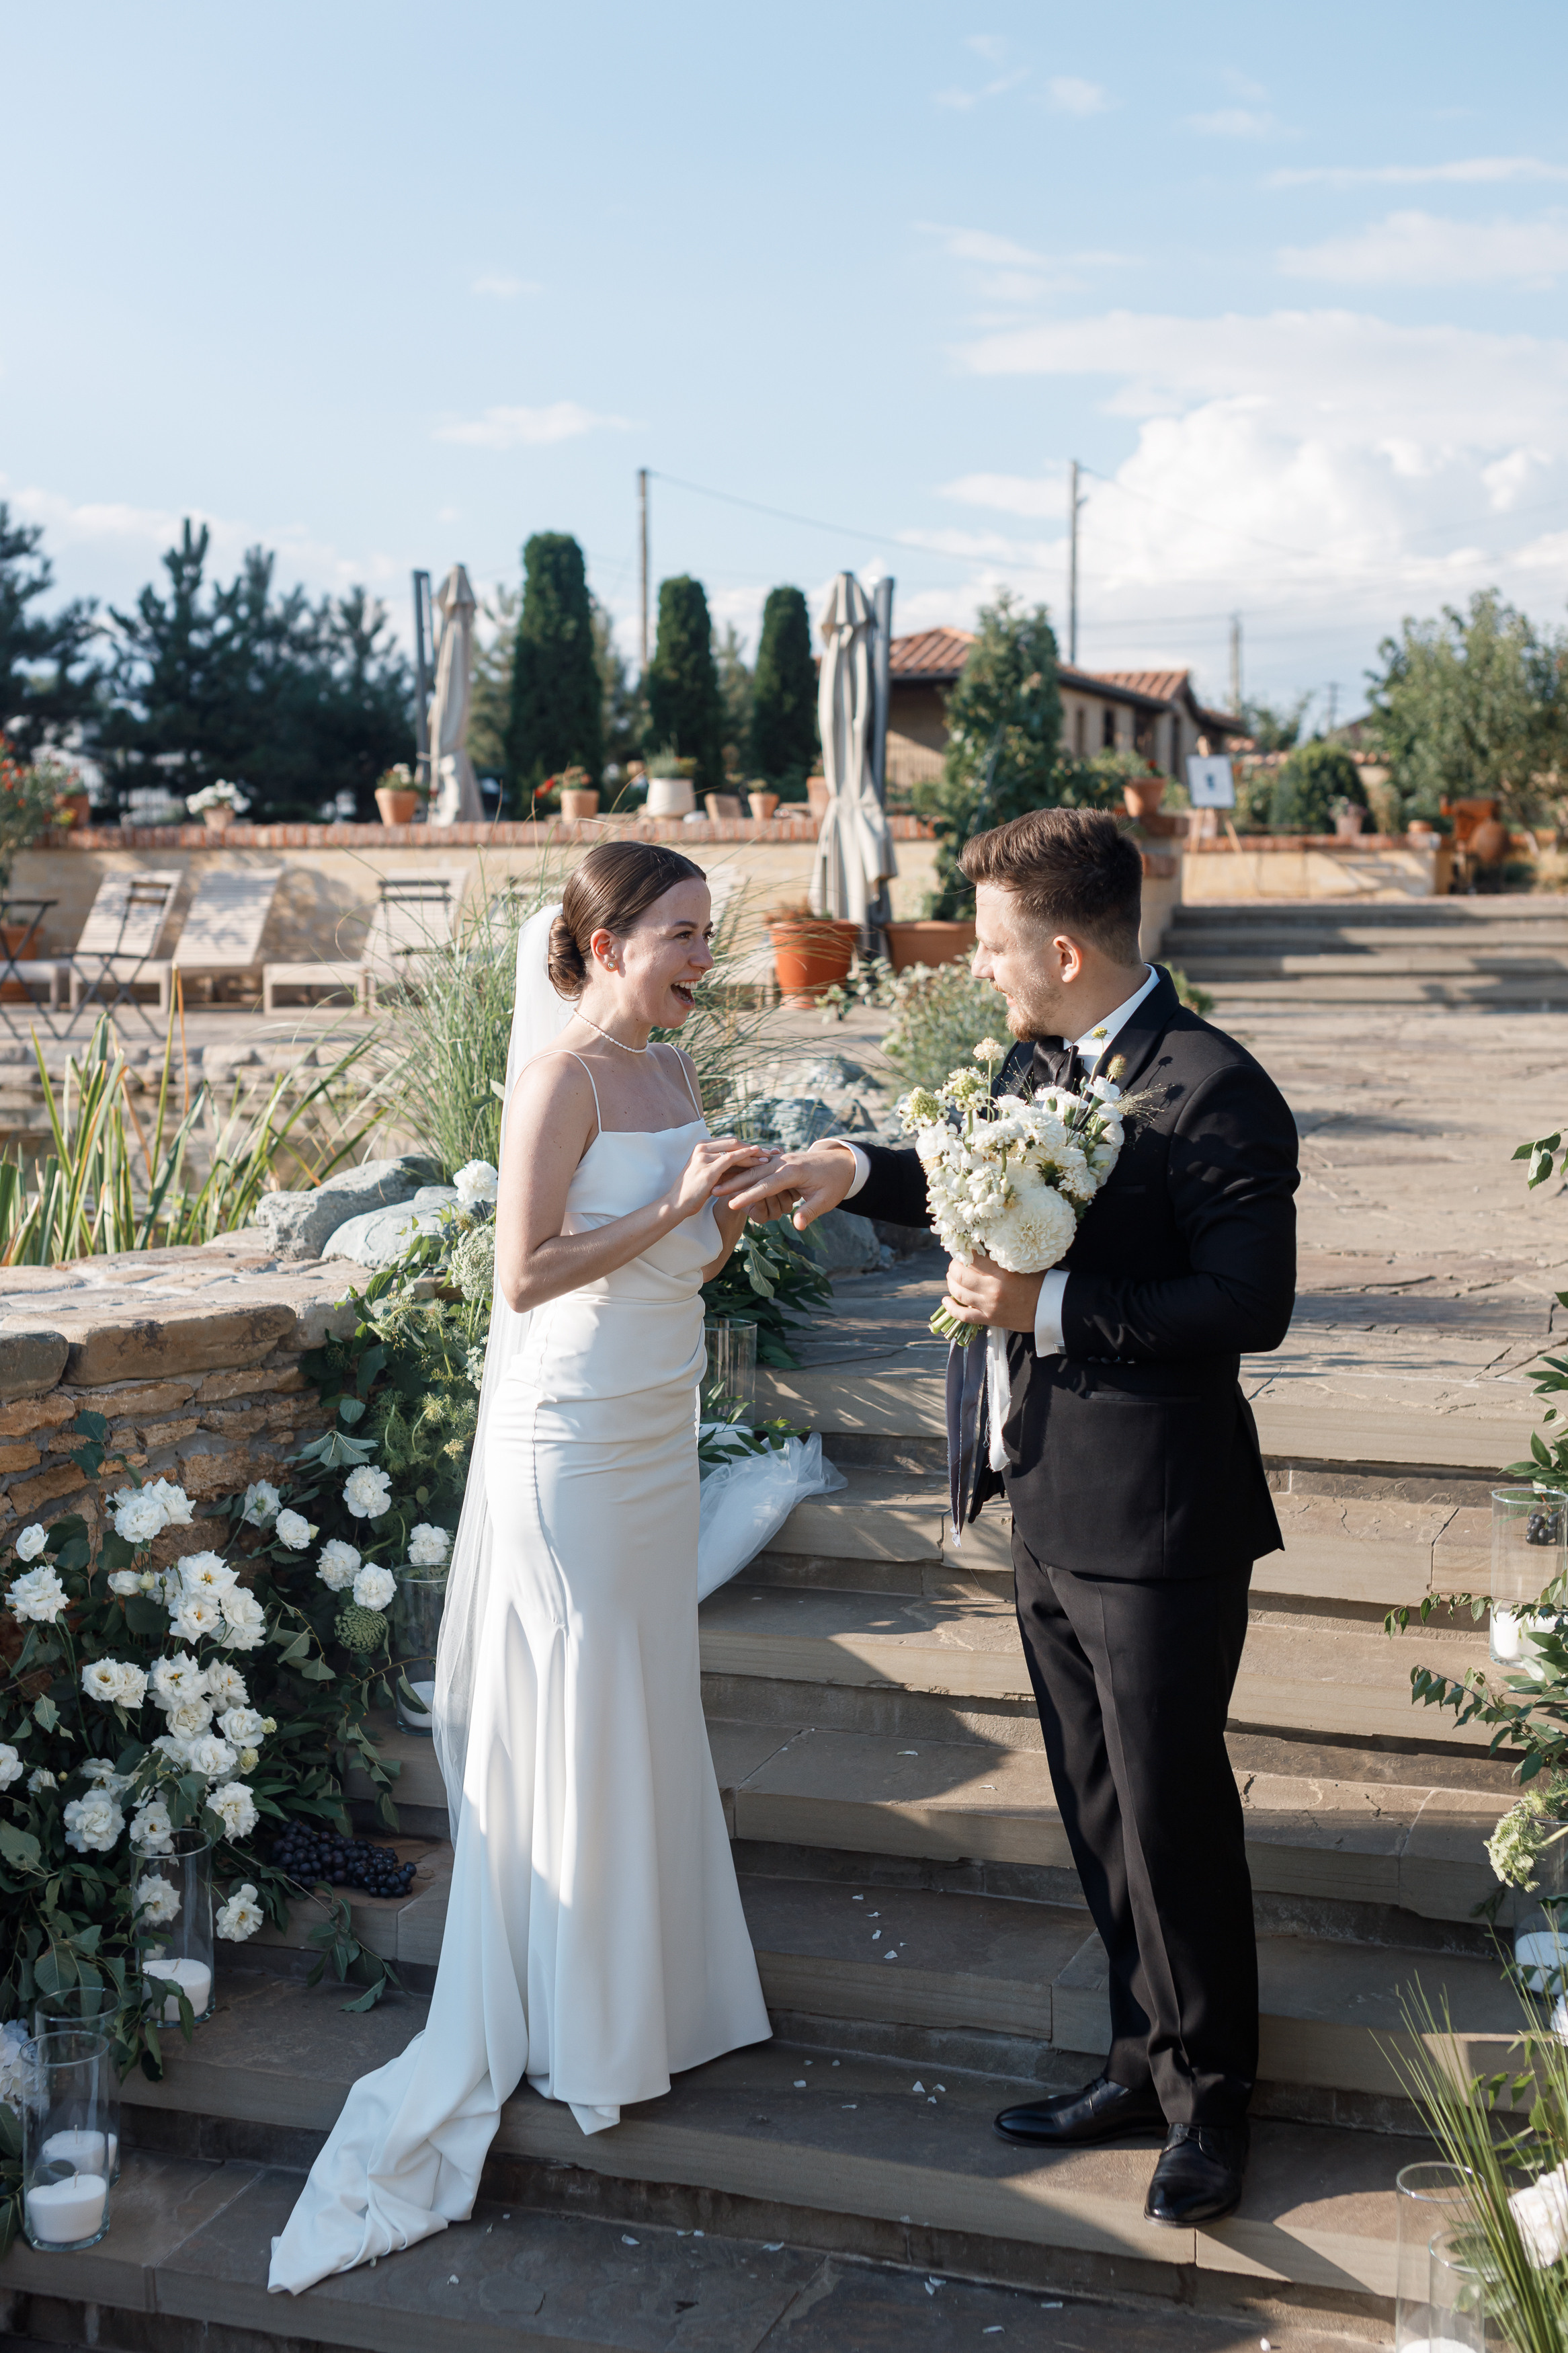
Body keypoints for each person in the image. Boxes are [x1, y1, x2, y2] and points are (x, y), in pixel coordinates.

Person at [727, 806, 1298, 2227]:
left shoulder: (1215, 1090)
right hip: (1042, 1492)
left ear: (1062, 949)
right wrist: (853, 1167)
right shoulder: (1034, 1061)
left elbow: (1249, 1303)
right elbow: (968, 1170)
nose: (975, 967)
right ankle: (1135, 2064)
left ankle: (1211, 2108)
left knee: (1170, 1816)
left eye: (989, 944)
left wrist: (1049, 1305)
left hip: (1157, 1518)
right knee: (1098, 1806)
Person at [270, 841, 777, 2294]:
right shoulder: (560, 1078)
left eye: (707, 933)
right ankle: (576, 2020)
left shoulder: (670, 1071)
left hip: (654, 1421)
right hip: (573, 1437)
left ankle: (654, 1997)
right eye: (682, 935)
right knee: (587, 1692)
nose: (705, 958)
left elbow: (685, 1261)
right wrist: (677, 1209)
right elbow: (528, 1273)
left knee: (647, 1692)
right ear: (606, 944)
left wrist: (733, 1206)